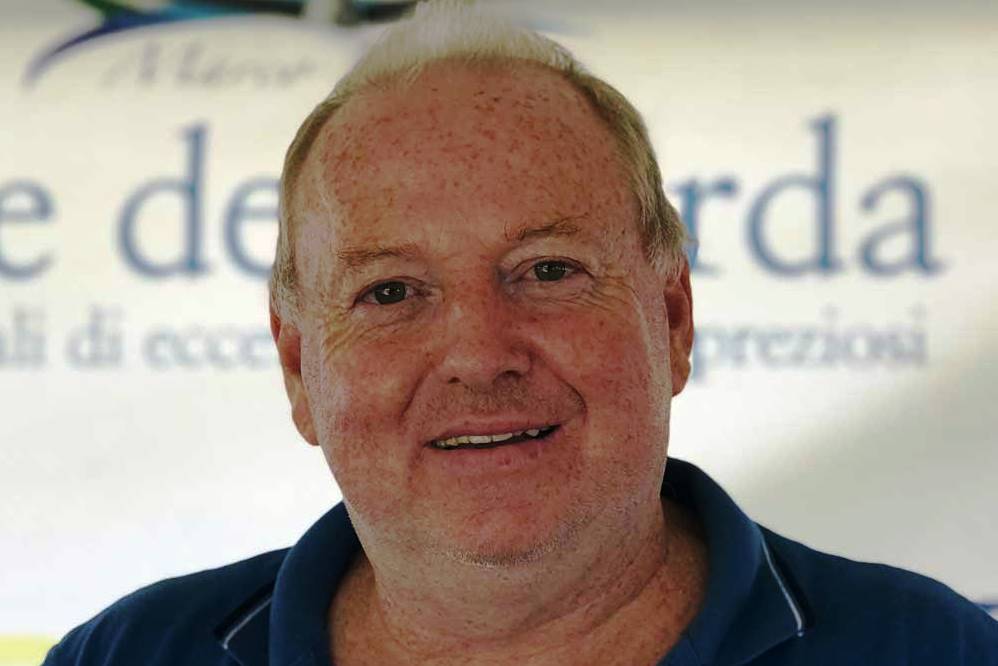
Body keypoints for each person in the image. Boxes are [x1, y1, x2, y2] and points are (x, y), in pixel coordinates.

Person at [44, 2, 998, 664]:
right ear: (299, 368)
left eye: (547, 271)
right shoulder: (127, 656)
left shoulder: (934, 652)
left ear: (672, 318)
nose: (479, 354)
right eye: (391, 291)